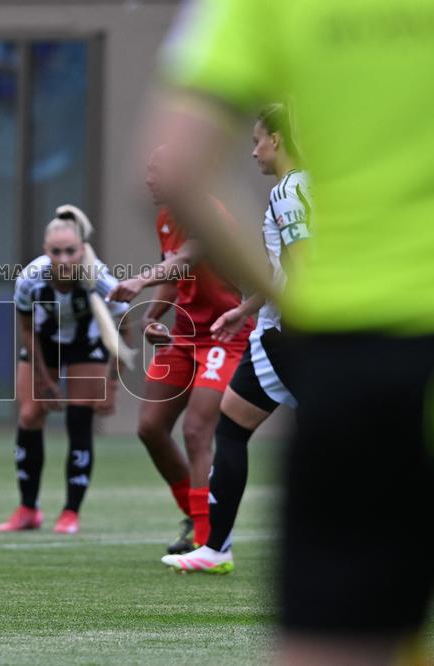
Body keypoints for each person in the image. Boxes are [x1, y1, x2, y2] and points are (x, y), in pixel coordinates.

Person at [153, 1, 434, 661]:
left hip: (352, 352)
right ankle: (214, 541)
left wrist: (287, 303)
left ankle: (215, 542)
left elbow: (177, 168)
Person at [162, 103, 309, 573]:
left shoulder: (290, 191)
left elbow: (305, 263)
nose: (253, 151)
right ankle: (215, 547)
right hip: (273, 333)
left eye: (257, 140)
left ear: (279, 141)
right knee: (231, 427)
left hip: (294, 337)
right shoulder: (308, 188)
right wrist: (245, 309)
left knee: (351, 439)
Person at [109, 145, 253, 554]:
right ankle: (193, 516)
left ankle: (210, 541)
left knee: (196, 430)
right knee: (150, 427)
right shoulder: (164, 216)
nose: (149, 179)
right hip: (184, 335)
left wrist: (139, 282)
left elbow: (188, 256)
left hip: (226, 333)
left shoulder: (208, 212)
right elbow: (177, 272)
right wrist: (155, 316)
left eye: (156, 171)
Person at [0, 206, 128, 535]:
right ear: (46, 252)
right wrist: (44, 379)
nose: (65, 259)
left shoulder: (98, 277)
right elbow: (27, 330)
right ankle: (28, 508)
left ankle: (71, 512)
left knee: (79, 419)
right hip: (46, 343)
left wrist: (112, 383)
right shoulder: (30, 280)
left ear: (82, 250)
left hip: (87, 344)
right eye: (57, 252)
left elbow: (125, 323)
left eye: (71, 251)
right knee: (29, 416)